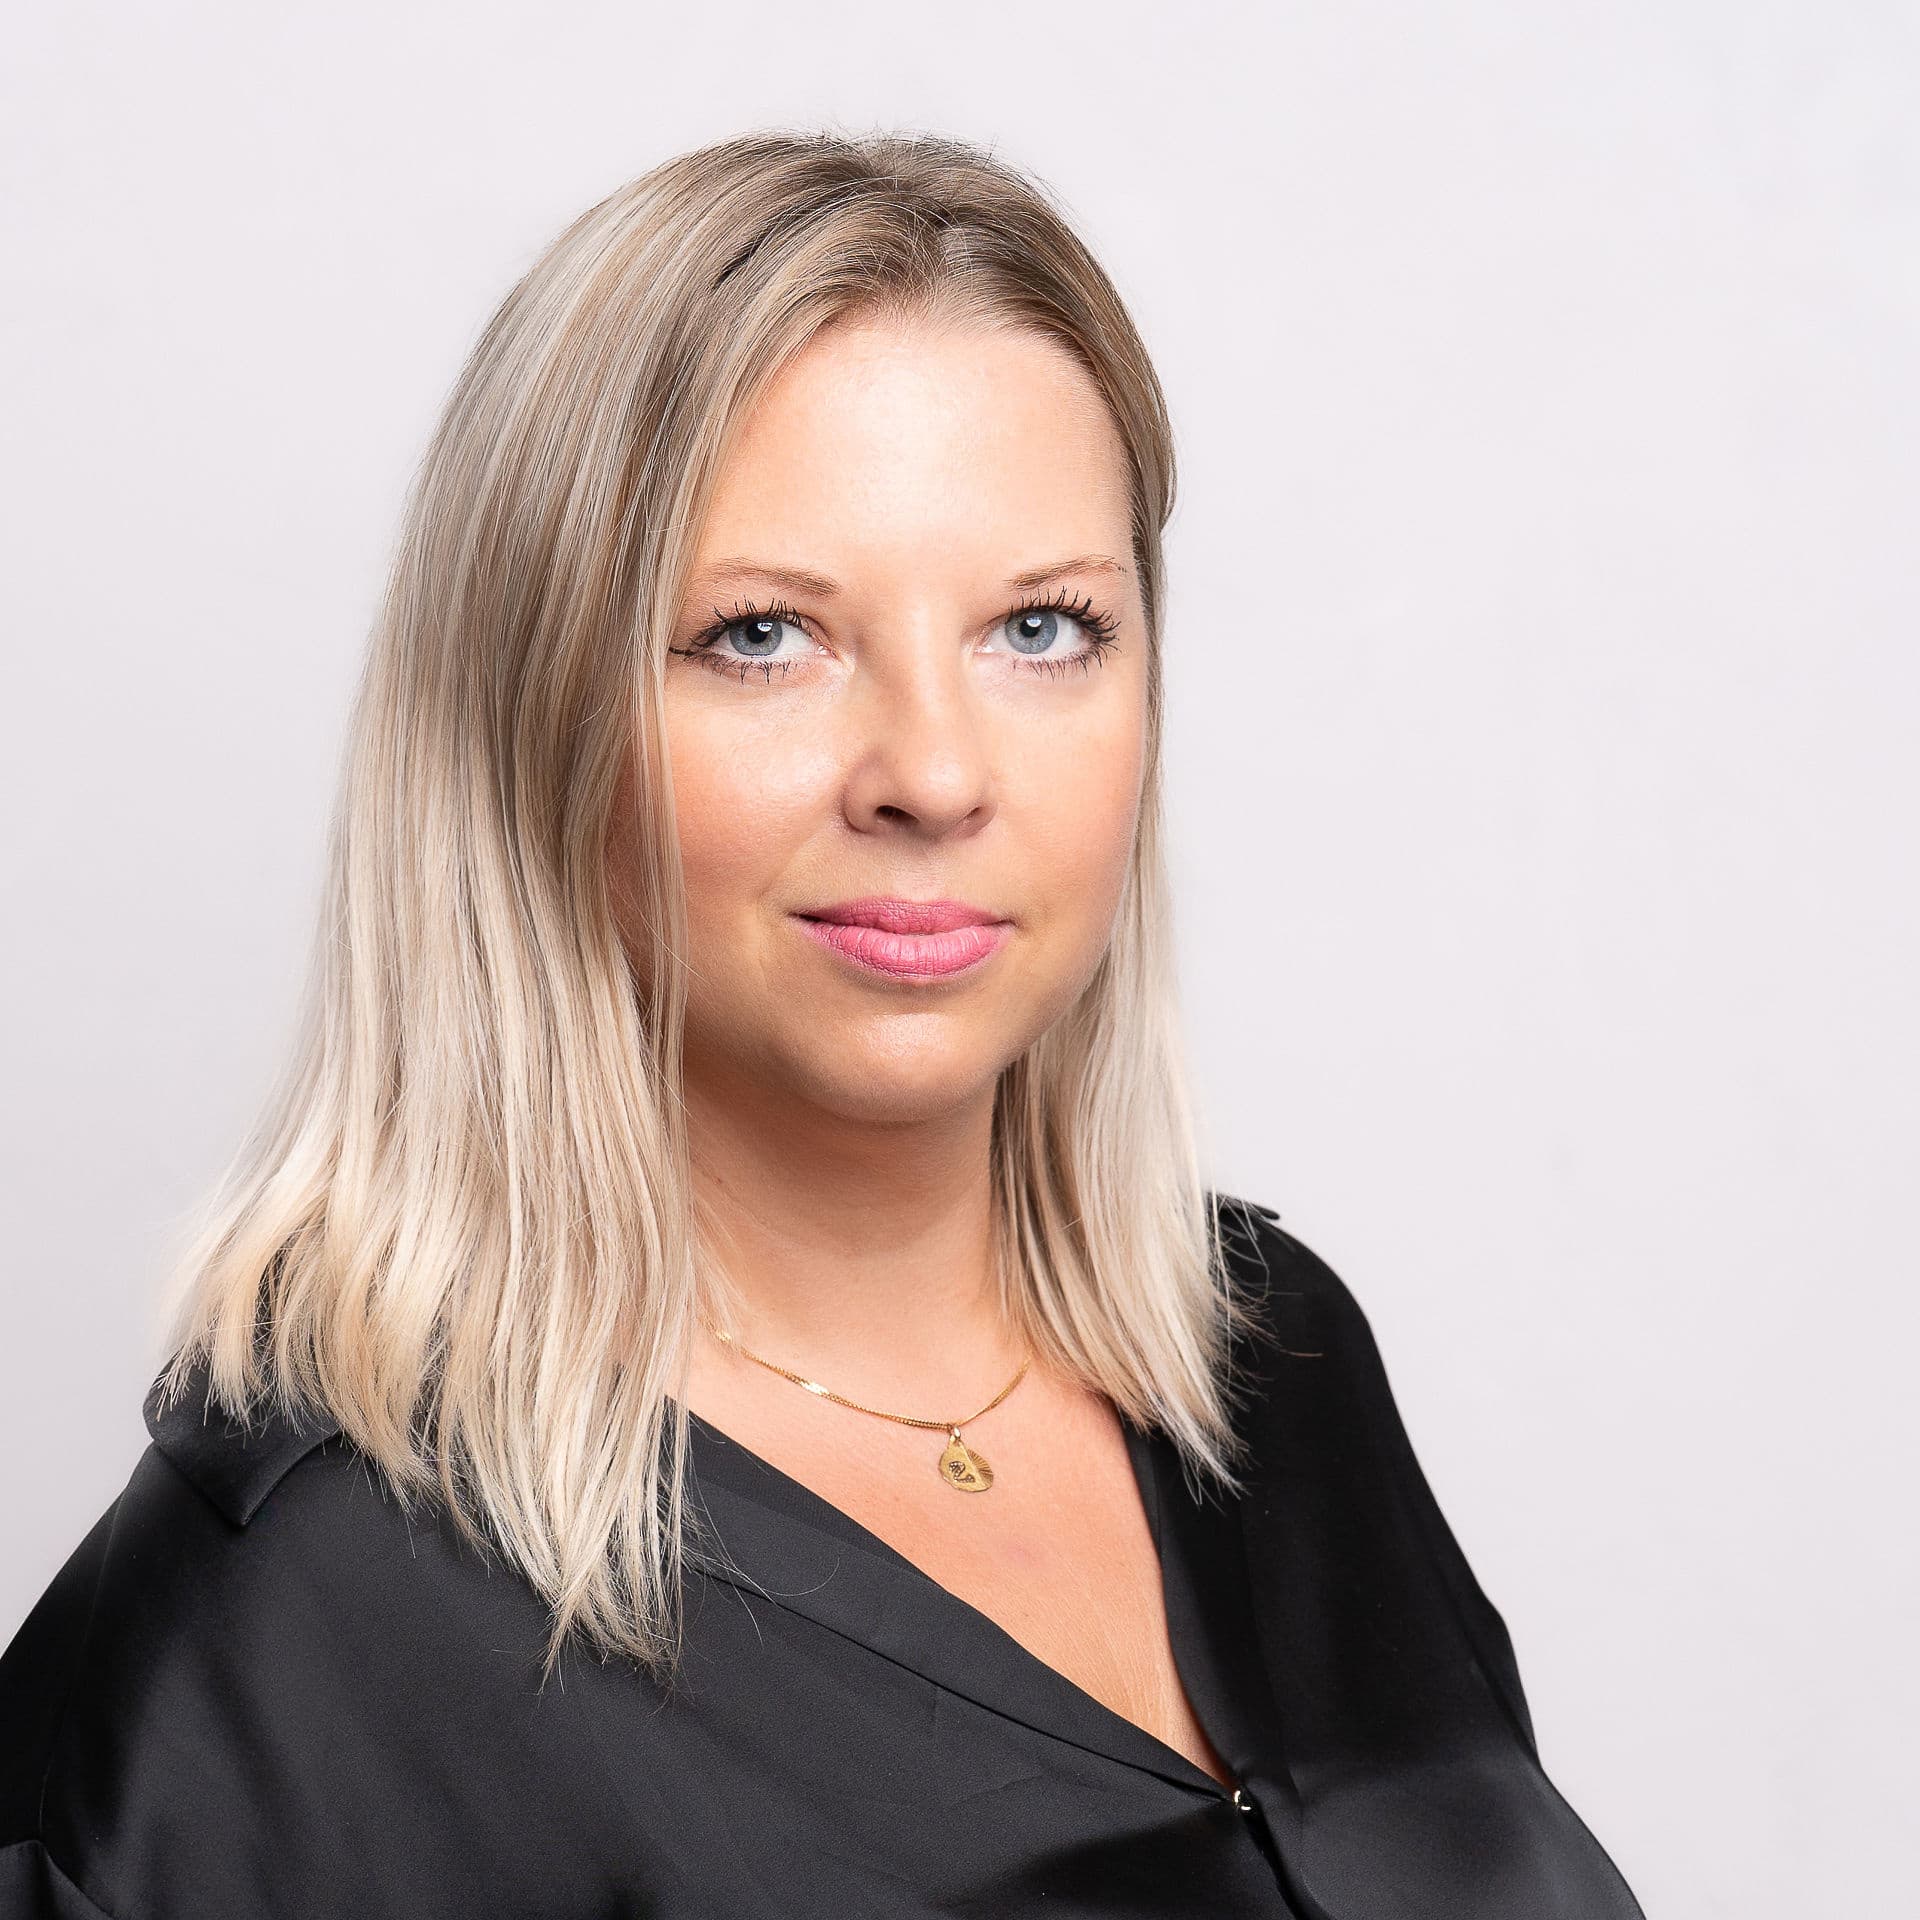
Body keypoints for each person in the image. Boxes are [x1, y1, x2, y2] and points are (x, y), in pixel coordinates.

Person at [0, 129, 1646, 1918]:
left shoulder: (1270, 1356)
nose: (933, 771)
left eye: (1041, 627)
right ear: (528, 718)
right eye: (764, 636)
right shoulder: (300, 1616)